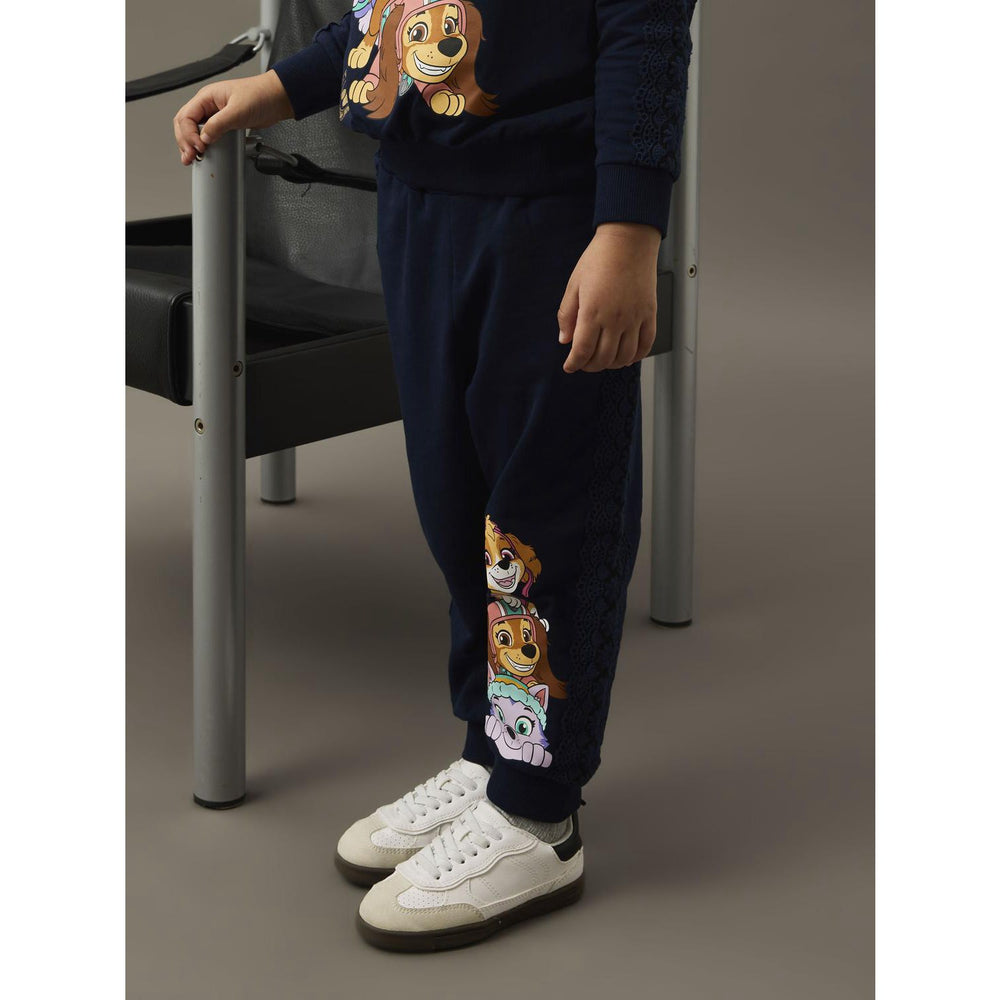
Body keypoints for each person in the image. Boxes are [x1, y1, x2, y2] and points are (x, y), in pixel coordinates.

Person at [174, 0, 697, 952]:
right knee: (457, 507)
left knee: (543, 519)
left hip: (552, 218)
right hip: (419, 203)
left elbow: (647, 36)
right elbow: (385, 13)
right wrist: (279, 87)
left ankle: (538, 807)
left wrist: (628, 231)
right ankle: (492, 747)